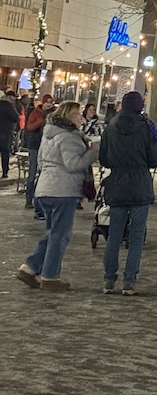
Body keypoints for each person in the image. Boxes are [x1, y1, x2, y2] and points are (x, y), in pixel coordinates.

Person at [17, 101, 98, 291]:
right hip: (63, 190)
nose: (81, 118)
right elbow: (73, 164)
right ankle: (50, 276)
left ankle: (30, 267)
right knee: (61, 234)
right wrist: (93, 152)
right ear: (69, 116)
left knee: (53, 232)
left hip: (46, 188)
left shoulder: (49, 134)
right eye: (78, 115)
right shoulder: (68, 137)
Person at [98, 90, 157, 295]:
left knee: (114, 235)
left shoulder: (111, 127)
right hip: (140, 184)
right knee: (136, 236)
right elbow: (156, 157)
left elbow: (104, 158)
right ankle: (129, 280)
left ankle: (109, 279)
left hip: (117, 183)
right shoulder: (147, 127)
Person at [23, 94, 55, 213]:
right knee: (32, 173)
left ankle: (40, 200)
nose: (49, 104)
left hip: (48, 146)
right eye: (47, 102)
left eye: (51, 102)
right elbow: (30, 127)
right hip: (35, 145)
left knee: (43, 174)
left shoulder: (53, 114)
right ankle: (29, 199)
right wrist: (40, 121)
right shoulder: (36, 113)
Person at [0, 90, 20, 178]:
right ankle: (5, 172)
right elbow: (15, 117)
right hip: (5, 132)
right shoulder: (8, 105)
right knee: (5, 152)